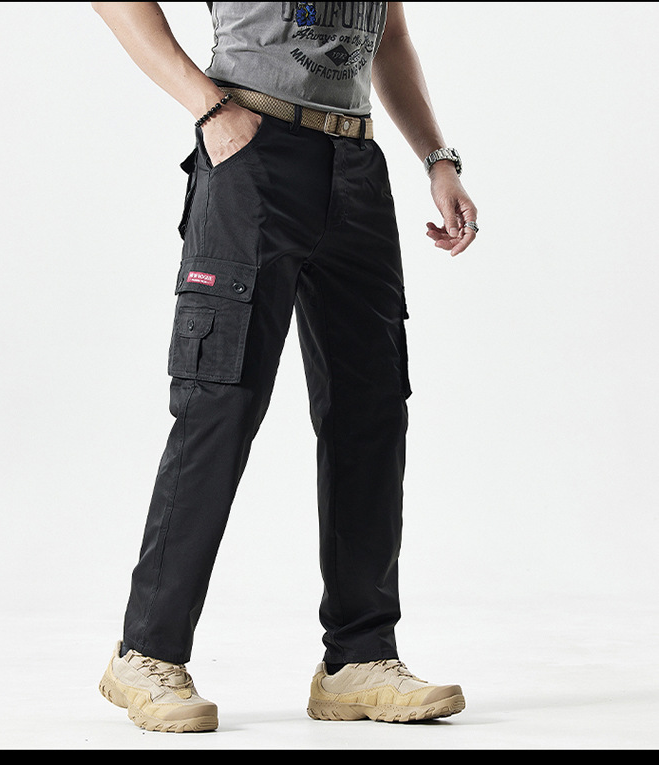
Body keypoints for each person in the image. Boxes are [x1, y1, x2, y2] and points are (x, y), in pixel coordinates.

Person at [92, 1, 478, 733]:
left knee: (371, 412)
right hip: (252, 153)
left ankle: (359, 658)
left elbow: (390, 34)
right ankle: (147, 653)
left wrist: (437, 159)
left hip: (356, 165)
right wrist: (209, 109)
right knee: (220, 404)